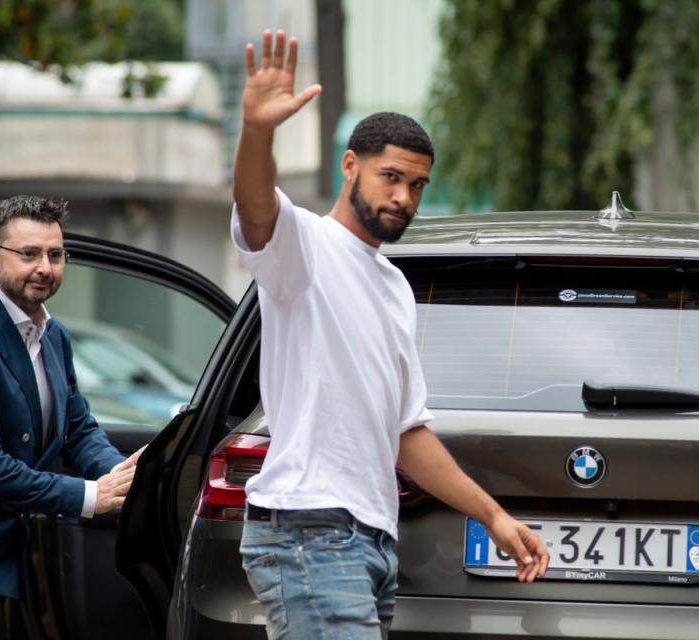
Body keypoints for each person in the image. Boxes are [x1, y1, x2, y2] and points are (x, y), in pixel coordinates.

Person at [233, 30, 550, 639]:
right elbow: (254, 207)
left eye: (417, 186)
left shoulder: (394, 286)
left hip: (369, 540)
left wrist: (493, 518)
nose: (403, 197)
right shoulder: (304, 246)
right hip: (309, 530)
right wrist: (257, 132)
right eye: (390, 177)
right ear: (349, 165)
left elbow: (405, 431)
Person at [0, 195, 143, 640]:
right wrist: (89, 495)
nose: (45, 266)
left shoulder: (52, 332)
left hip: (24, 554)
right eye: (28, 254)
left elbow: (77, 428)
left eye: (55, 254)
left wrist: (120, 475)